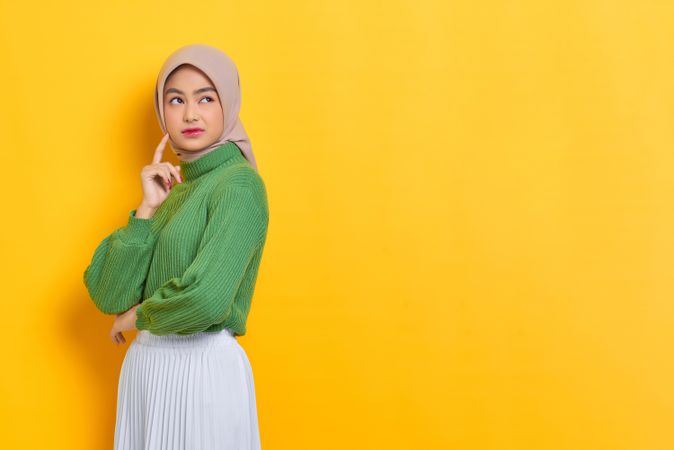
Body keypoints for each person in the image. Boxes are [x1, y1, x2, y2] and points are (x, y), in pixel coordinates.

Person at [83, 43, 268, 450]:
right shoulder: (172, 191)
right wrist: (147, 209)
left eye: (206, 97)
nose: (190, 113)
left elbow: (207, 300)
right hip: (148, 373)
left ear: (228, 104)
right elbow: (108, 293)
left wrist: (136, 317)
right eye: (176, 99)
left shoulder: (238, 185)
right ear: (161, 111)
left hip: (202, 372)